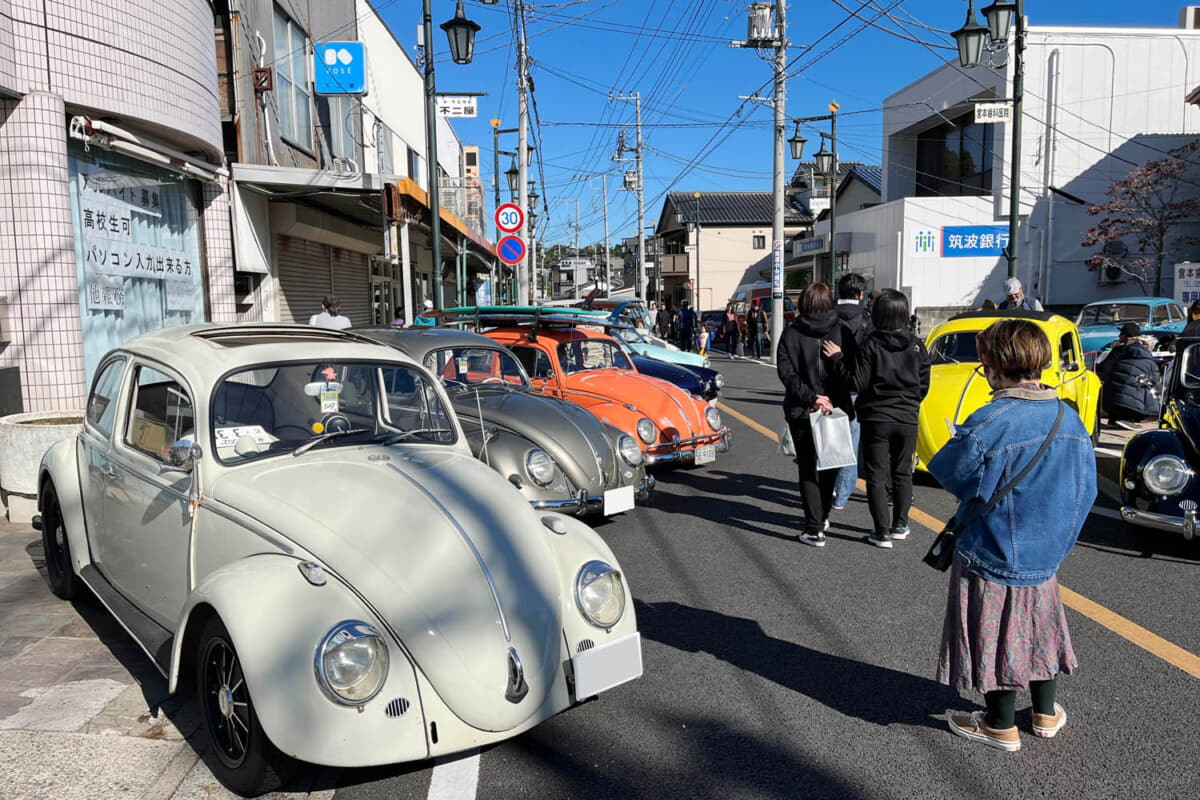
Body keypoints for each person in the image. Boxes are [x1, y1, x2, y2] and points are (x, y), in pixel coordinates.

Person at [928, 319, 1095, 752]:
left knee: (995, 631)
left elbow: (950, 473)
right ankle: (1044, 713)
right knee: (1041, 628)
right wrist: (1058, 542)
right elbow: (1088, 490)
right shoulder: (1068, 417)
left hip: (991, 550)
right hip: (1045, 554)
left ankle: (999, 723)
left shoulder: (990, 419)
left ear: (992, 365)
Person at [825, 289, 930, 547]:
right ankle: (900, 525)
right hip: (907, 418)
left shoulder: (871, 344)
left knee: (877, 475)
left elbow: (857, 382)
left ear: (879, 314)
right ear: (904, 314)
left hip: (877, 418)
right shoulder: (917, 346)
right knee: (903, 473)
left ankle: (881, 532)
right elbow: (924, 384)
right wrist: (910, 402)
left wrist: (837, 359)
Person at [777, 282, 854, 547]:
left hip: (802, 410)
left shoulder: (791, 333)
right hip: (836, 408)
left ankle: (814, 528)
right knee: (831, 463)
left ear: (804, 303)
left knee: (808, 468)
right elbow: (851, 372)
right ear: (829, 302)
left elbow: (787, 374)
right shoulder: (841, 330)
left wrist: (812, 398)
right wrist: (828, 398)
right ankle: (824, 516)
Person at [830, 273, 875, 512]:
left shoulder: (828, 316)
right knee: (851, 440)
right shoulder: (866, 319)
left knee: (828, 440)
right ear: (860, 294)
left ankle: (826, 489)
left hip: (829, 387)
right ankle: (842, 494)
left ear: (839, 293)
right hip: (856, 388)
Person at [1098, 322, 1161, 427]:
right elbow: (1155, 386)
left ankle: (1118, 417)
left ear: (1126, 336)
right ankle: (1130, 417)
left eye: (1121, 334)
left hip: (1113, 404)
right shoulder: (1148, 357)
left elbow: (1105, 369)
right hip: (1138, 407)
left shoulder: (1118, 351)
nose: (1118, 336)